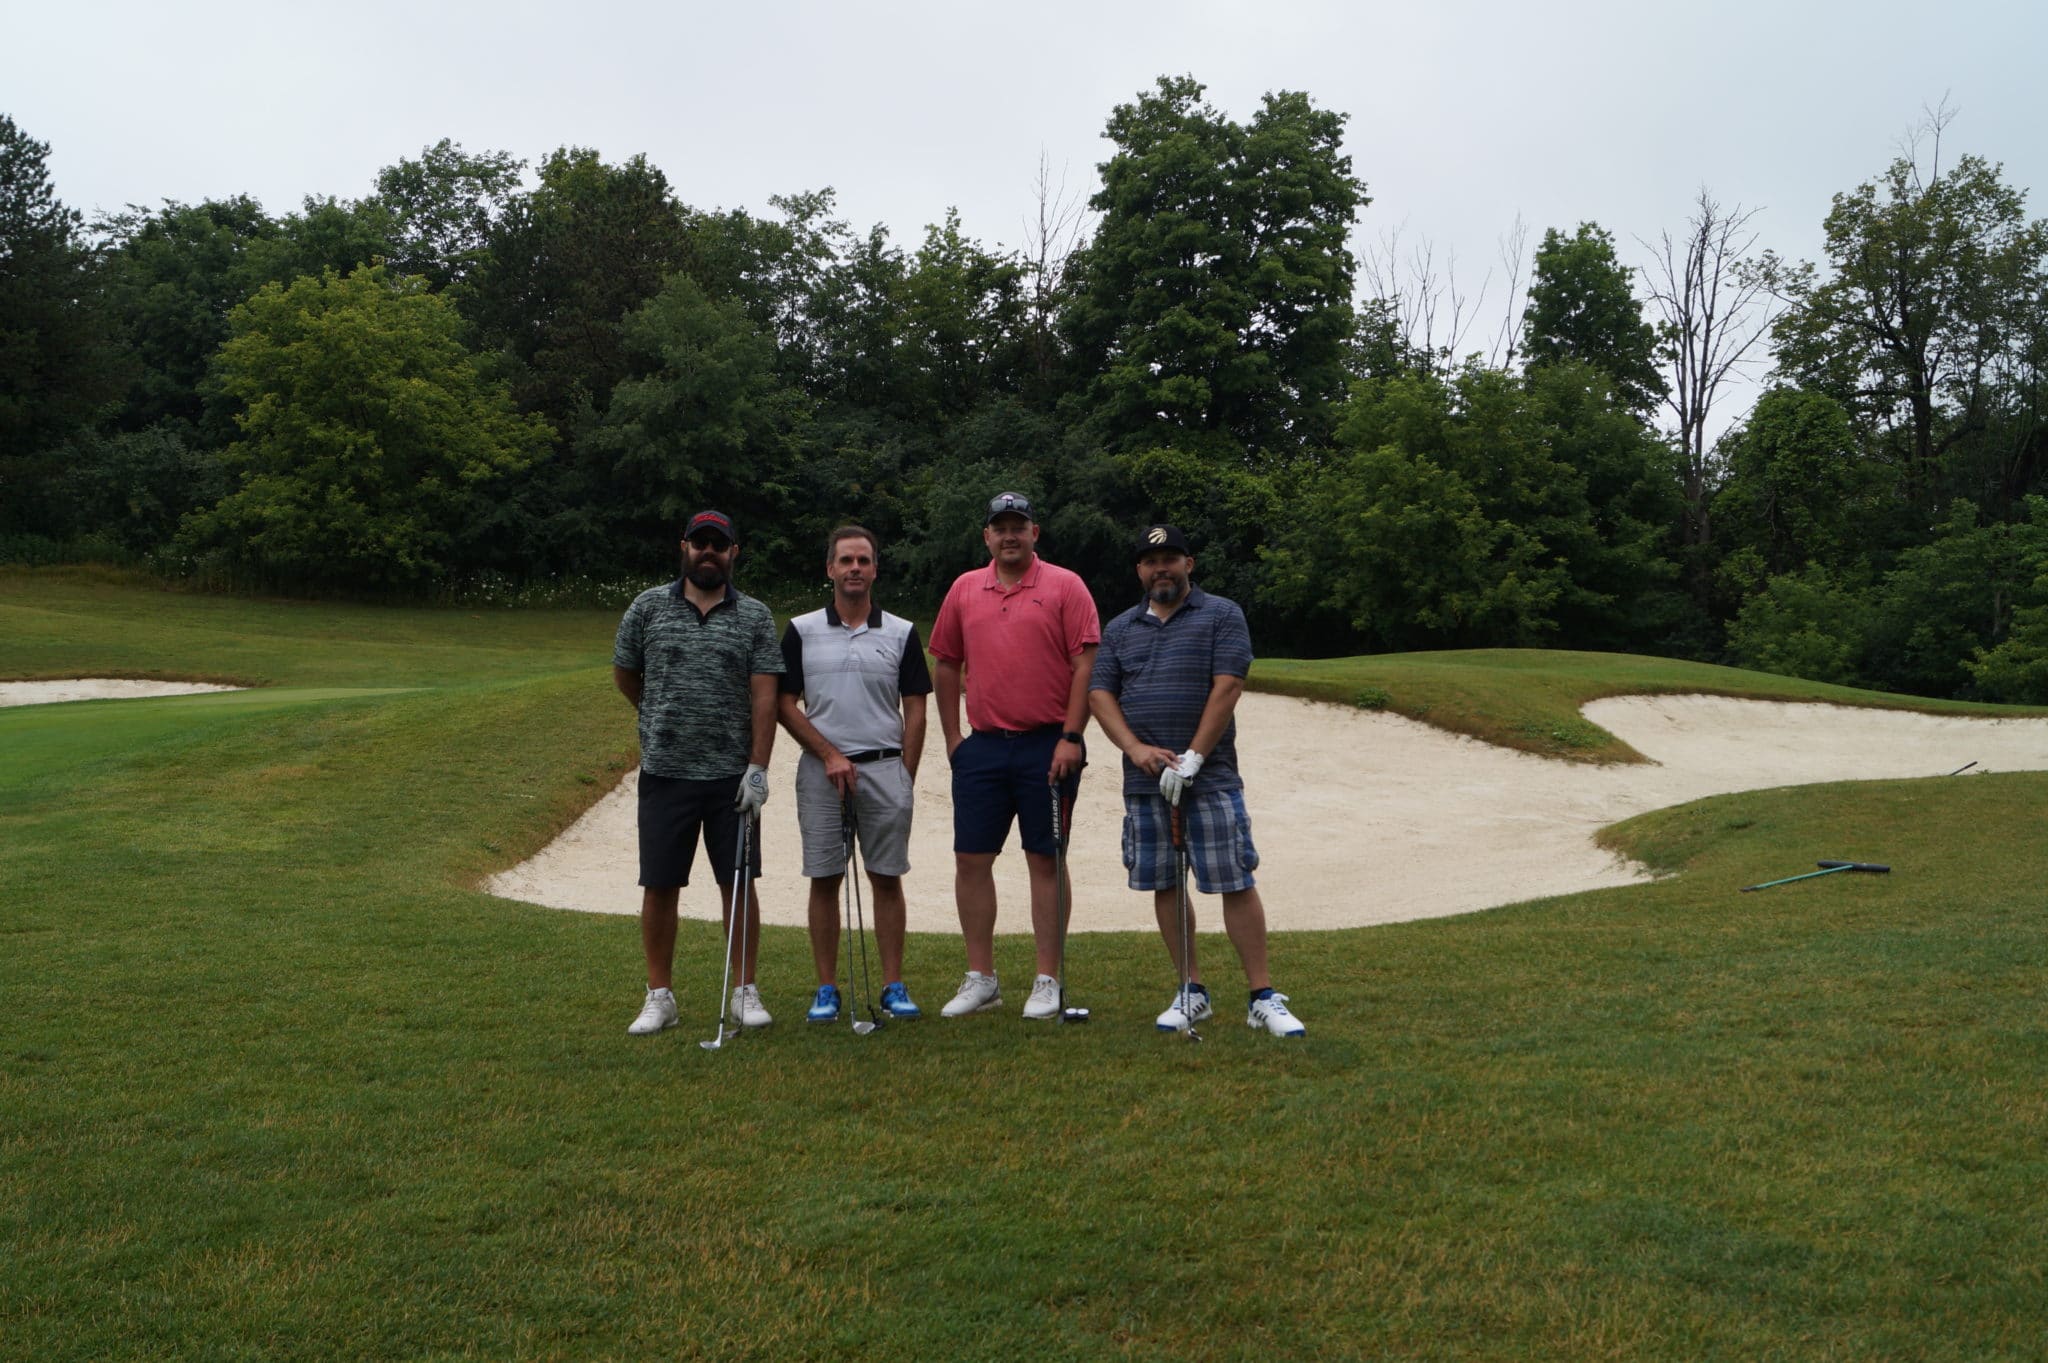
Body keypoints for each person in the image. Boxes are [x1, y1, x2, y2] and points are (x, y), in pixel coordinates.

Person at [1088, 524, 1307, 1037]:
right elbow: (1100, 695)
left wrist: (1193, 758)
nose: (1160, 568)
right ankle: (1192, 990)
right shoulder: (1119, 629)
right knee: (1165, 882)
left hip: (1211, 778)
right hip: (1146, 781)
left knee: (1234, 879)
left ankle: (1262, 996)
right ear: (1139, 570)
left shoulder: (1221, 615)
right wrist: (1136, 749)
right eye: (1150, 561)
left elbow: (1227, 686)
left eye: (1170, 558)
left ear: (1189, 564)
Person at [927, 491, 1101, 1019]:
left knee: (1044, 859)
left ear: (1034, 533)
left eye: (1018, 526)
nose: (1009, 535)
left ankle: (1048, 978)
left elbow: (1086, 666)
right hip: (982, 746)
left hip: (1049, 744)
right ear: (987, 536)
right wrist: (953, 738)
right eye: (999, 527)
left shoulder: (1065, 585)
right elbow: (945, 662)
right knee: (971, 859)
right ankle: (982, 978)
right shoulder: (964, 588)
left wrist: (1072, 736)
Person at [614, 509, 784, 1035]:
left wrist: (758, 767)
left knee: (739, 883)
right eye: (699, 542)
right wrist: (660, 716)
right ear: (684, 546)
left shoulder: (754, 616)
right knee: (660, 884)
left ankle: (744, 991)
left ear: (733, 552)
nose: (708, 551)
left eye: (718, 544)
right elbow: (626, 674)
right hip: (665, 772)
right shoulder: (647, 607)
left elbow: (765, 696)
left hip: (731, 777)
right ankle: (659, 996)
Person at [777, 526, 933, 1023]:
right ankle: (826, 988)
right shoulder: (801, 630)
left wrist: (904, 774)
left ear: (875, 569)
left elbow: (916, 708)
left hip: (884, 769)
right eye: (846, 560)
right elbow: (784, 703)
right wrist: (828, 754)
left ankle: (893, 985)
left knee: (886, 878)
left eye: (864, 560)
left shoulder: (902, 632)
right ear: (830, 568)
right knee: (824, 878)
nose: (855, 569)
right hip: (822, 772)